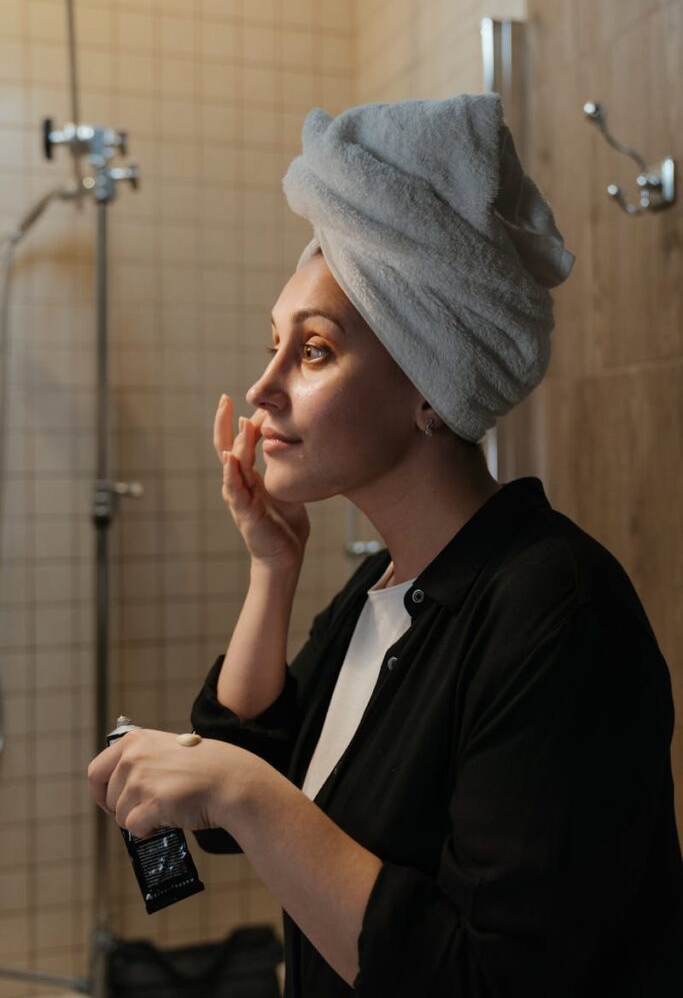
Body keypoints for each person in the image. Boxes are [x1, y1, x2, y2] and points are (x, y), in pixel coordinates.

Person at [88, 94, 683, 997]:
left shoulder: (556, 610)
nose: (263, 386)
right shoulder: (387, 587)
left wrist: (242, 791)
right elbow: (244, 786)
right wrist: (271, 569)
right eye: (273, 344)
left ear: (431, 388)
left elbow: (490, 978)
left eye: (313, 352)